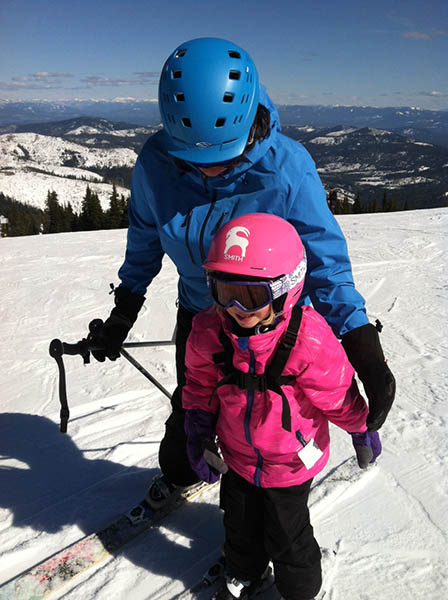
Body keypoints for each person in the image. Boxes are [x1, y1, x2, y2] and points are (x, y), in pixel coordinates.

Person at [87, 37, 394, 507]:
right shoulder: (156, 165)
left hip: (280, 328)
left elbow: (326, 265)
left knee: (272, 422)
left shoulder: (287, 170)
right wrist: (123, 310)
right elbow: (145, 240)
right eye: (195, 160)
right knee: (195, 412)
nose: (209, 172)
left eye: (223, 158)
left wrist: (360, 343)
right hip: (202, 319)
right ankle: (191, 470)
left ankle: (273, 517)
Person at [183, 213, 381, 600]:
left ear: (287, 289)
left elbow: (337, 393)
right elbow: (200, 386)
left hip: (289, 462)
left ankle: (301, 591)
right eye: (225, 292)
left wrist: (361, 427)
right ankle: (246, 573)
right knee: (239, 524)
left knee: (287, 536)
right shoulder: (210, 332)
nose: (237, 308)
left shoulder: (307, 339)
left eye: (253, 296)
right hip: (238, 457)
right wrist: (198, 428)